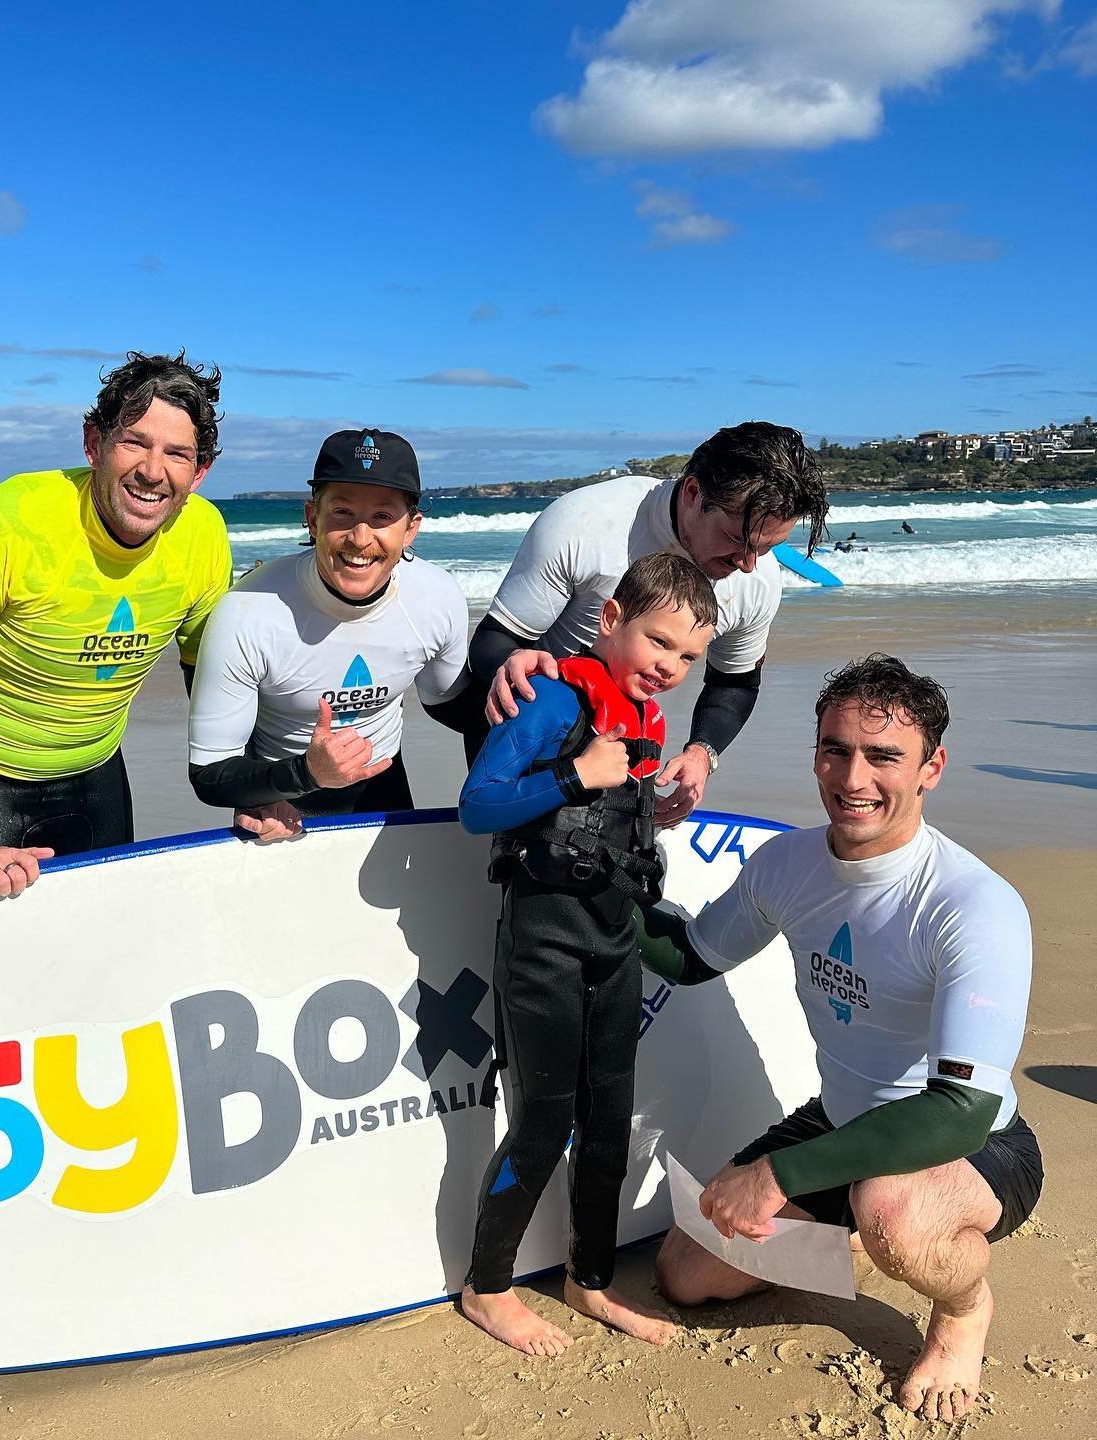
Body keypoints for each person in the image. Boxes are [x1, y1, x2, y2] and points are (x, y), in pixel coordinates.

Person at [637, 655, 1041, 1422]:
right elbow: (688, 958)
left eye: (884, 755)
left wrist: (778, 1176)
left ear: (932, 768)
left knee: (893, 1213)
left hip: (973, 1142)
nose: (853, 777)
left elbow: (958, 1108)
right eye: (836, 750)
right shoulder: (787, 863)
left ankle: (963, 1308)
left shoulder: (973, 904)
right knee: (687, 1274)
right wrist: (601, 892)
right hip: (844, 1120)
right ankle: (855, 1227)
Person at [457, 552, 719, 1357]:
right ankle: (488, 1286)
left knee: (609, 1121)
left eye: (687, 657)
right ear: (611, 621)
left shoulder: (646, 721)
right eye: (658, 644)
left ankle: (590, 1278)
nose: (669, 667)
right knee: (545, 1120)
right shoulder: (552, 703)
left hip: (613, 938)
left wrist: (656, 806)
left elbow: (614, 826)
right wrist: (574, 775)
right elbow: (478, 806)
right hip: (542, 941)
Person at [0, 351, 231, 896]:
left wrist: (251, 785)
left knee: (98, 949)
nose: (152, 471)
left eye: (177, 454)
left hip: (98, 775)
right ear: (94, 444)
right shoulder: (5, 523)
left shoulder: (204, 536)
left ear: (200, 471)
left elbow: (212, 675)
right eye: (134, 442)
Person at [471, 422, 827, 826]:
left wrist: (701, 753)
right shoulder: (586, 524)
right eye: (738, 539)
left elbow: (735, 682)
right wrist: (512, 659)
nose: (748, 563)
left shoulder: (757, 581)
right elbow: (493, 639)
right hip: (532, 738)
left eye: (767, 547)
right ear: (694, 494)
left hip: (622, 746)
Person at [187, 428, 473, 841]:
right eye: (342, 513)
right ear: (312, 518)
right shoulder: (248, 610)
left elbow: (451, 702)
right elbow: (210, 774)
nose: (360, 538)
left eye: (382, 517)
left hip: (384, 787)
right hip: (279, 800)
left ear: (411, 529)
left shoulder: (437, 598)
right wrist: (305, 772)